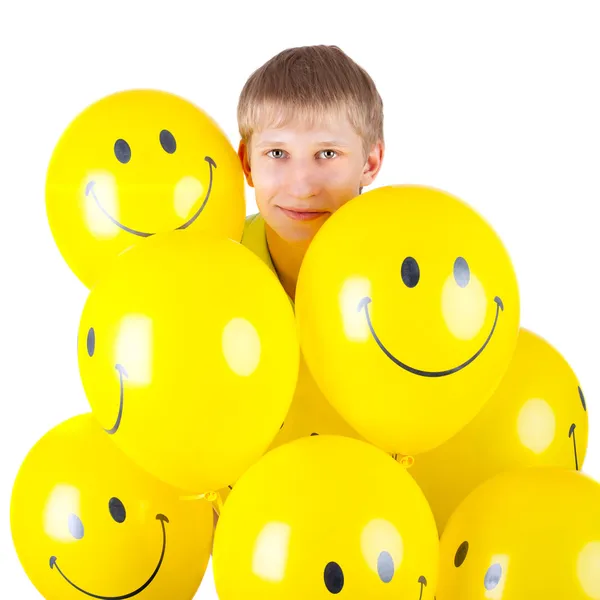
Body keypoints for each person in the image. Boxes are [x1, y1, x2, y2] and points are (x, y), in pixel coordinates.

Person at [237, 44, 385, 300]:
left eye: (327, 154)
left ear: (369, 163)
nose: (302, 189)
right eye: (277, 153)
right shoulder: (217, 252)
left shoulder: (399, 264)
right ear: (248, 164)